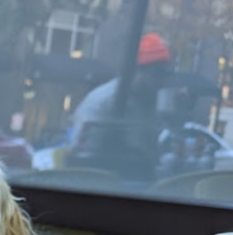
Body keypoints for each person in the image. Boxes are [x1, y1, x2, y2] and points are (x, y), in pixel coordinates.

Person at [67, 32, 173, 181]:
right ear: (136, 71)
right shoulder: (105, 102)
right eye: (156, 74)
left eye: (165, 75)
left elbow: (150, 156)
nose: (161, 82)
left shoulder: (147, 105)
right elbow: (81, 163)